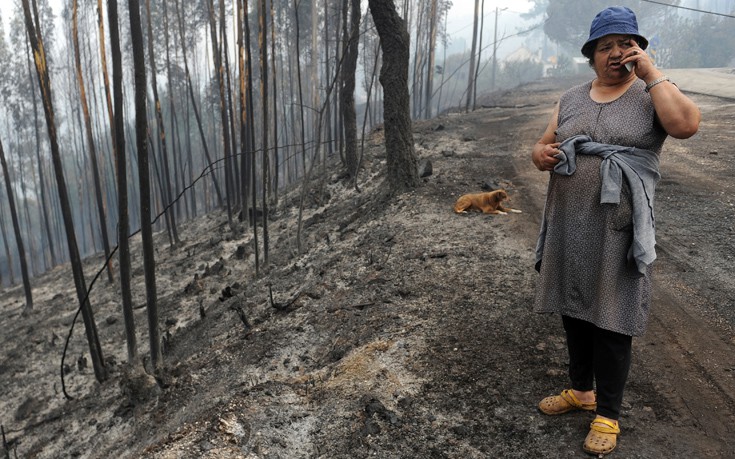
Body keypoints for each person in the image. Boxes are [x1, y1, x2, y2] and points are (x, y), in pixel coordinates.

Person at [531, 6, 700, 456]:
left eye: (626, 43)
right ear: (591, 55)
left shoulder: (653, 93)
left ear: (639, 49)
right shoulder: (572, 97)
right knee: (573, 307)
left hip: (618, 227)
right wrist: (539, 153)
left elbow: (686, 126)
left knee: (612, 315)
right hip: (570, 224)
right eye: (605, 46)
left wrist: (652, 72)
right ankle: (580, 391)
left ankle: (608, 413)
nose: (615, 52)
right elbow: (544, 143)